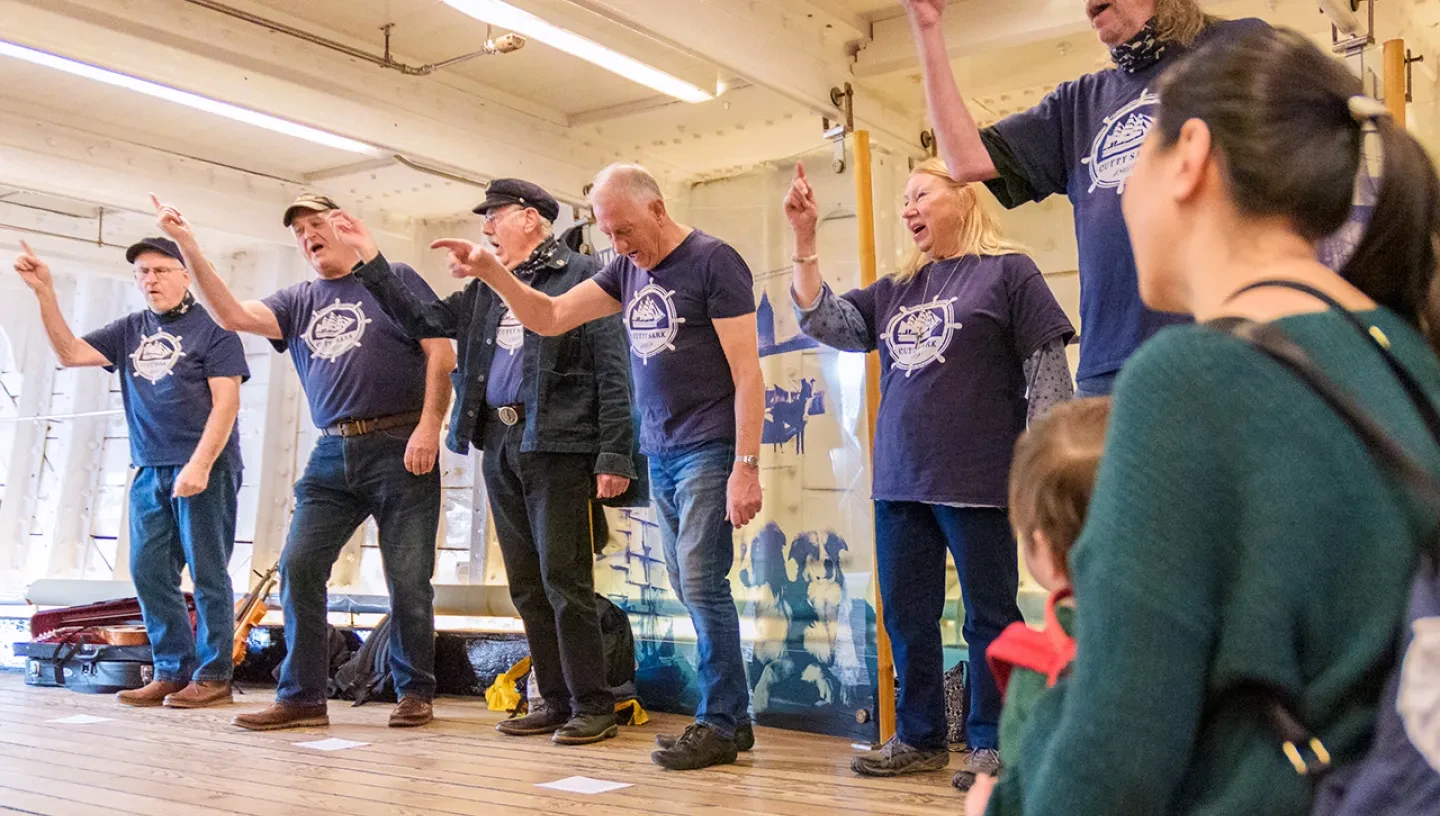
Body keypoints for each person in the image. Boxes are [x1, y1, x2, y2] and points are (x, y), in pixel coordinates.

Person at [984, 27, 1440, 815]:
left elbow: (1112, 758)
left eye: (1134, 163)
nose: (1120, 199)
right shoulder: (1409, 354)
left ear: (1189, 155)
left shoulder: (1188, 378)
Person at [432, 163, 763, 771]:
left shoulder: (714, 261)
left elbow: (748, 373)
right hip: (662, 449)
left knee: (700, 582)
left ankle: (719, 721)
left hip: (710, 447)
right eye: (608, 233)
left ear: (657, 209)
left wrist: (746, 465)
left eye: (625, 229)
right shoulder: (625, 269)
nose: (618, 243)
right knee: (691, 583)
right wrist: (492, 271)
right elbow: (549, 317)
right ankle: (732, 720)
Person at [783, 158, 1075, 787]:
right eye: (904, 201)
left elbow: (1048, 372)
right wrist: (805, 239)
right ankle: (918, 737)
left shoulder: (1010, 272)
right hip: (900, 481)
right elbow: (823, 319)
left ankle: (993, 742)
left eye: (920, 194)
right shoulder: (895, 288)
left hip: (980, 481)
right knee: (907, 617)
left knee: (989, 617)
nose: (907, 208)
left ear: (965, 197)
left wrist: (1048, 472)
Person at [349, 178, 638, 745]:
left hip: (558, 444)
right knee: (527, 585)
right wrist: (371, 260)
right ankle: (554, 701)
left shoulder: (583, 277)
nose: (486, 227)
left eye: (495, 215)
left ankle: (593, 704)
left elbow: (613, 370)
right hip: (500, 442)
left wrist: (614, 454)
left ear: (530, 218)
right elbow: (423, 319)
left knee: (565, 580)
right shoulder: (486, 288)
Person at [166, 193, 455, 731]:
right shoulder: (297, 300)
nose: (307, 236)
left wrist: (429, 426)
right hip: (331, 451)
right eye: (299, 232)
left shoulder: (395, 278)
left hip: (400, 441)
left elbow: (441, 350)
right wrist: (187, 243)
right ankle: (302, 698)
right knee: (298, 567)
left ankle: (415, 690)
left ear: (344, 227)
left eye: (316, 224)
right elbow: (231, 315)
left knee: (408, 576)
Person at [901, 0, 1268, 397]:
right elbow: (964, 159)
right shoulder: (1080, 102)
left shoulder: (1239, 46)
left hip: (1227, 347)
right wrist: (928, 28)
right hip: (1108, 368)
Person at [12, 235, 247, 709]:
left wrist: (200, 464)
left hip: (204, 466)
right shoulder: (129, 330)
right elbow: (70, 353)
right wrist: (45, 293)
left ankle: (214, 675)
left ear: (185, 276)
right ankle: (171, 671)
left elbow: (227, 403)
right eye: (142, 272)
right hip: (148, 468)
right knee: (148, 571)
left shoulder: (215, 332)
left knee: (207, 573)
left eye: (160, 270)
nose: (150, 279)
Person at [966, 397, 1110, 813]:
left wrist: (984, 806)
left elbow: (1028, 797)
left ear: (1040, 547)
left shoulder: (1038, 673)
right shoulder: (1195, 641)